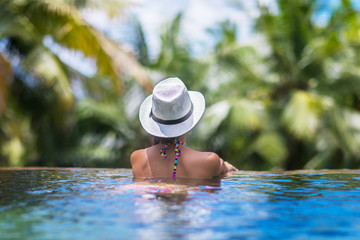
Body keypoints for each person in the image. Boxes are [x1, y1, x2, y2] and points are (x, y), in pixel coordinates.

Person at [131, 77, 237, 179]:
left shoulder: (137, 158)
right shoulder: (209, 161)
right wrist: (225, 165)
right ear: (189, 123)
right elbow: (222, 166)